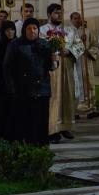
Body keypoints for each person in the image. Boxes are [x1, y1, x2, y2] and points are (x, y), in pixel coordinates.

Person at [3, 18, 58, 146]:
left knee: (41, 121)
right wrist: (11, 88)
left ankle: (41, 148)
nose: (32, 31)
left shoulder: (44, 44)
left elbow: (51, 67)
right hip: (23, 90)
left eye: (34, 28)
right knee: (25, 122)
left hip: (42, 90)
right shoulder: (16, 44)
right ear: (23, 30)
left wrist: (54, 59)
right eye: (29, 28)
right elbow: (8, 66)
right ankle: (25, 148)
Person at [40, 4, 84, 143]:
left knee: (67, 95)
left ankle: (65, 126)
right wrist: (51, 52)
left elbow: (80, 45)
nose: (59, 15)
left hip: (67, 67)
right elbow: (40, 46)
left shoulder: (70, 30)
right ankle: (52, 129)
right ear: (49, 14)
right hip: (51, 68)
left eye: (61, 12)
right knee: (53, 97)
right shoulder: (43, 30)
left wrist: (70, 51)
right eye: (55, 13)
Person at [70, 11, 99, 119]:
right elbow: (68, 47)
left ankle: (91, 108)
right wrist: (80, 42)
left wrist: (89, 52)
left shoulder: (87, 31)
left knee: (89, 83)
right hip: (74, 62)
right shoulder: (68, 32)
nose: (78, 20)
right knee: (76, 85)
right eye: (76, 18)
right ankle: (75, 110)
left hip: (86, 60)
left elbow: (95, 45)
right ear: (71, 20)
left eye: (79, 18)